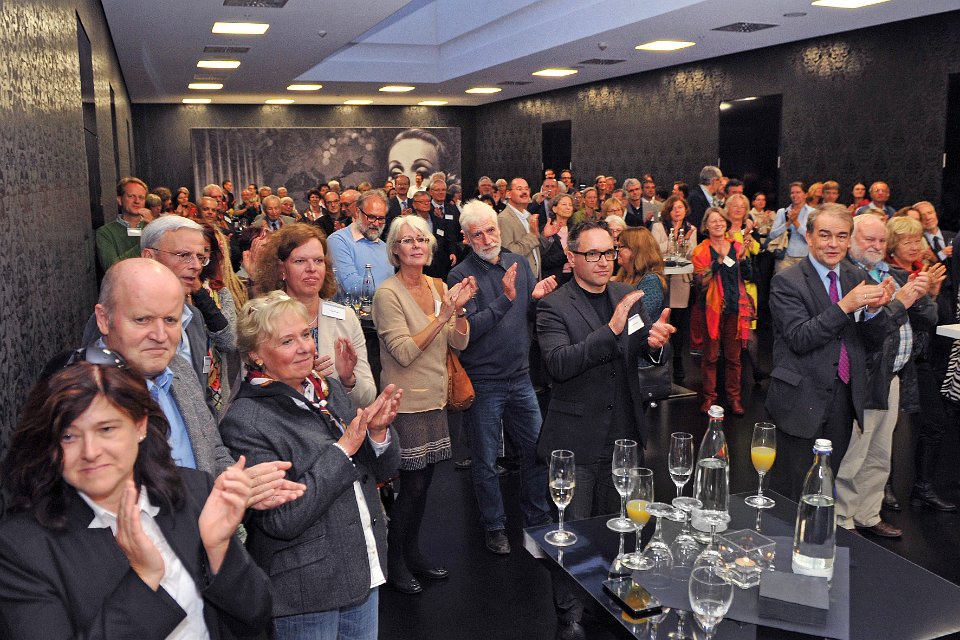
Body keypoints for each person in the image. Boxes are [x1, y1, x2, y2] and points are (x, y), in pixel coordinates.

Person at [0, 357, 273, 638]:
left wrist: (218, 549)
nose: (90, 452)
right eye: (69, 436)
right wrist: (144, 579)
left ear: (140, 426)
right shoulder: (22, 548)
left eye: (106, 429)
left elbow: (255, 616)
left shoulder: (191, 491)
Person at [220, 291, 403, 640]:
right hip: (306, 594)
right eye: (287, 341)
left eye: (305, 334)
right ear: (256, 354)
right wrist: (342, 450)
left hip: (362, 570)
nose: (304, 347)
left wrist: (378, 435)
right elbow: (281, 520)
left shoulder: (327, 391)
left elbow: (380, 473)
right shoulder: (246, 422)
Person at [536, 220, 674, 640]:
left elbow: (644, 351)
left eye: (608, 253)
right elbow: (558, 364)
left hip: (624, 434)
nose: (602, 261)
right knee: (571, 531)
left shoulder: (626, 296)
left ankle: (612, 596)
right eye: (592, 254)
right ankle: (571, 614)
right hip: (575, 440)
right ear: (572, 257)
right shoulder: (553, 306)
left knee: (621, 525)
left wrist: (656, 345)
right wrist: (611, 330)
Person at [372, 215, 476, 595]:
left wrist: (459, 311)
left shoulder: (438, 285)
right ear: (395, 250)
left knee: (425, 486)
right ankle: (394, 560)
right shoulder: (387, 294)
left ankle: (412, 553)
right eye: (407, 240)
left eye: (421, 239)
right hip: (406, 402)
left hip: (436, 399)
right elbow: (402, 352)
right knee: (412, 488)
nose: (416, 245)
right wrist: (443, 315)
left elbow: (458, 342)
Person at [448, 200, 557, 556]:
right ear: (466, 238)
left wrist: (536, 299)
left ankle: (537, 520)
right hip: (484, 382)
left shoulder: (518, 263)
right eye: (477, 234)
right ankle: (494, 526)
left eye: (490, 230)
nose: (486, 239)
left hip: (521, 377)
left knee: (536, 452)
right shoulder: (460, 276)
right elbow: (469, 331)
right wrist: (507, 299)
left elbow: (526, 315)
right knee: (485, 462)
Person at [766, 203, 893, 499]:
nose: (833, 243)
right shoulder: (787, 280)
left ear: (849, 240)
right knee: (791, 492)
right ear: (809, 237)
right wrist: (845, 306)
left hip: (843, 398)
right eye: (825, 235)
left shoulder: (855, 275)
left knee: (824, 488)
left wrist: (874, 312)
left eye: (841, 236)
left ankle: (817, 529)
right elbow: (799, 338)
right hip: (800, 399)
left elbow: (872, 341)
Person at [255, 223, 377, 408]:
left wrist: (348, 379)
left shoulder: (345, 317)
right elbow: (254, 389)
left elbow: (368, 397)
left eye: (318, 260)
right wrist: (299, 377)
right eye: (300, 261)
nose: (311, 268)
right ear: (281, 269)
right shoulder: (263, 318)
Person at [692, 207, 753, 415]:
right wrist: (717, 262)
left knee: (734, 358)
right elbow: (700, 282)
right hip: (711, 311)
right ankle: (709, 397)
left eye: (721, 220)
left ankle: (734, 398)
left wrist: (744, 260)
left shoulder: (737, 246)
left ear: (726, 223)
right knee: (710, 357)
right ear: (706, 226)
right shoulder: (700, 251)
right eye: (713, 221)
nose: (718, 224)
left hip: (735, 308)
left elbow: (748, 275)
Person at [651, 195, 697, 382]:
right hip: (663, 278)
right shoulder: (658, 227)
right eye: (674, 208)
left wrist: (683, 242)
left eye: (680, 207)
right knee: (661, 320)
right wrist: (675, 241)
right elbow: (655, 249)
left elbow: (691, 253)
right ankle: (659, 362)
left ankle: (678, 360)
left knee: (678, 324)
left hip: (681, 280)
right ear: (668, 211)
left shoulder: (691, 229)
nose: (677, 211)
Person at [613, 226, 666, 319]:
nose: (617, 251)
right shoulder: (623, 275)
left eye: (621, 247)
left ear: (636, 250)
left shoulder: (651, 281)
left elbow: (637, 317)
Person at [96, 176, 148, 270]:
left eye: (141, 197)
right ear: (120, 200)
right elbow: (112, 268)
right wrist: (148, 240)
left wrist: (154, 226)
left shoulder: (152, 226)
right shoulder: (105, 232)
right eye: (131, 196)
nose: (137, 201)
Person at [498, 177, 541, 279]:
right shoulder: (504, 218)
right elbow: (509, 253)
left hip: (534, 276)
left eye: (526, 189)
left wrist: (545, 236)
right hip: (518, 278)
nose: (524, 192)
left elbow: (535, 247)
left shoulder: (529, 216)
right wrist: (532, 236)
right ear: (508, 194)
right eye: (519, 189)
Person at [768, 181, 813, 273]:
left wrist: (795, 222)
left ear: (805, 195)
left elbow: (811, 237)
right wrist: (788, 223)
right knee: (782, 281)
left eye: (798, 192)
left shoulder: (812, 213)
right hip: (784, 257)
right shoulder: (782, 212)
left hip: (805, 258)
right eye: (792, 193)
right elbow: (772, 235)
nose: (794, 195)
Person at [540, 193, 576, 284]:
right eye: (564, 204)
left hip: (574, 278)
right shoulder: (546, 229)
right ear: (554, 209)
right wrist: (564, 253)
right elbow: (544, 262)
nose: (568, 207)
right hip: (553, 280)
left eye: (570, 205)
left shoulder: (576, 230)